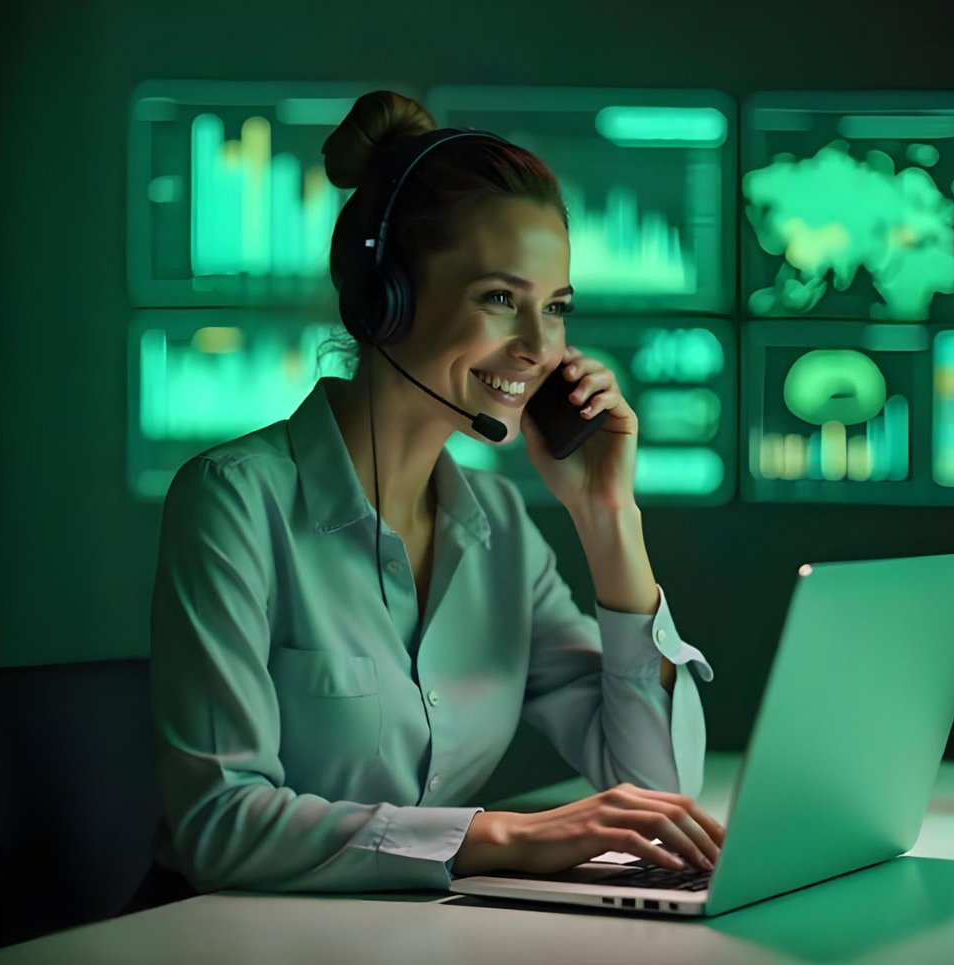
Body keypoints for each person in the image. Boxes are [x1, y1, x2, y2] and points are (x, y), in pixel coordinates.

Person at [133, 90, 722, 904]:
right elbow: (221, 824)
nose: (541, 348)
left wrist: (608, 516)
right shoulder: (235, 501)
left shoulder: (500, 529)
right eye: (501, 299)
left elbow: (653, 784)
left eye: (556, 308)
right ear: (387, 297)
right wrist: (502, 835)